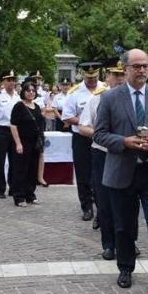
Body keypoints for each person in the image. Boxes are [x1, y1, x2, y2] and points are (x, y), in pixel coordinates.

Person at [93, 48, 148, 293]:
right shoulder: (110, 98)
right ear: (126, 69)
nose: (142, 70)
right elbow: (99, 134)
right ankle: (125, 267)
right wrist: (124, 142)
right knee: (124, 225)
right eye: (137, 66)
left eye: (145, 66)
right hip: (122, 170)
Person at [79, 57, 127, 257]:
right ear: (107, 76)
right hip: (103, 153)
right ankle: (109, 244)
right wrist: (103, 136)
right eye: (115, 75)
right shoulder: (96, 98)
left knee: (126, 202)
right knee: (104, 200)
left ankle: (127, 242)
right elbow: (83, 127)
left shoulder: (132, 99)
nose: (119, 79)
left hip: (126, 154)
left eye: (122, 74)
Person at [62, 62, 105, 221]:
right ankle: (86, 206)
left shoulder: (105, 88)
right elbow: (67, 115)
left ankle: (102, 208)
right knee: (83, 173)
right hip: (81, 138)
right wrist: (84, 122)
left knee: (99, 173)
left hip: (100, 137)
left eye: (94, 77)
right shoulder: (74, 92)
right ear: (83, 75)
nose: (92, 80)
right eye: (89, 77)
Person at [9, 81, 46, 207]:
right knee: (20, 169)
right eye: (28, 90)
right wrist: (18, 143)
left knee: (32, 169)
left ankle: (30, 194)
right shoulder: (19, 106)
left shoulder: (36, 106)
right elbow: (13, 126)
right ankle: (19, 196)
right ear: (23, 92)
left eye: (33, 91)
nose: (31, 93)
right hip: (23, 142)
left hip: (35, 143)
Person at [0, 70, 20, 199]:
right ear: (3, 82)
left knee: (15, 161)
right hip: (1, 130)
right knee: (0, 161)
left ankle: (13, 187)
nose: (11, 82)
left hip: (15, 131)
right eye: (8, 80)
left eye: (13, 80)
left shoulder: (18, 97)